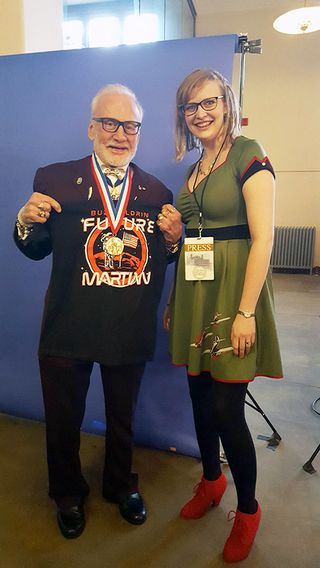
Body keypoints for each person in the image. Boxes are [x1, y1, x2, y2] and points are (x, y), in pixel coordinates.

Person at [14, 84, 181, 539]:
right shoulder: (53, 180)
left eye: (131, 126)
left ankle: (120, 485)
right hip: (69, 321)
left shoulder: (156, 190)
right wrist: (24, 223)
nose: (120, 134)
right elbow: (36, 250)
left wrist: (172, 241)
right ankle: (67, 493)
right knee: (63, 418)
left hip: (128, 325)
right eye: (110, 122)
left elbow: (156, 260)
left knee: (123, 415)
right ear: (91, 128)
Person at [158, 69, 283, 563]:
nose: (200, 113)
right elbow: (192, 243)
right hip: (195, 294)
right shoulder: (192, 169)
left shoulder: (249, 153)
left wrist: (246, 311)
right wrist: (173, 248)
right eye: (191, 107)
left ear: (227, 102)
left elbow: (264, 237)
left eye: (209, 102)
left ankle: (248, 510)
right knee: (198, 396)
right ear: (183, 116)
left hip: (236, 295)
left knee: (227, 408)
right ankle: (211, 482)